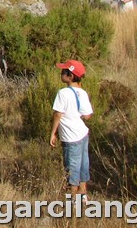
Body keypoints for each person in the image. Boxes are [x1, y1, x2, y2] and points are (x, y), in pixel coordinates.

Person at [50, 59, 94, 201]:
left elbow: (58, 114)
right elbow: (87, 116)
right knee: (83, 164)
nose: (61, 73)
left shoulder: (63, 93)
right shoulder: (82, 93)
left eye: (63, 71)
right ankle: (83, 195)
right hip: (82, 133)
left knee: (72, 167)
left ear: (70, 76)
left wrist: (53, 133)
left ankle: (73, 199)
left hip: (70, 137)